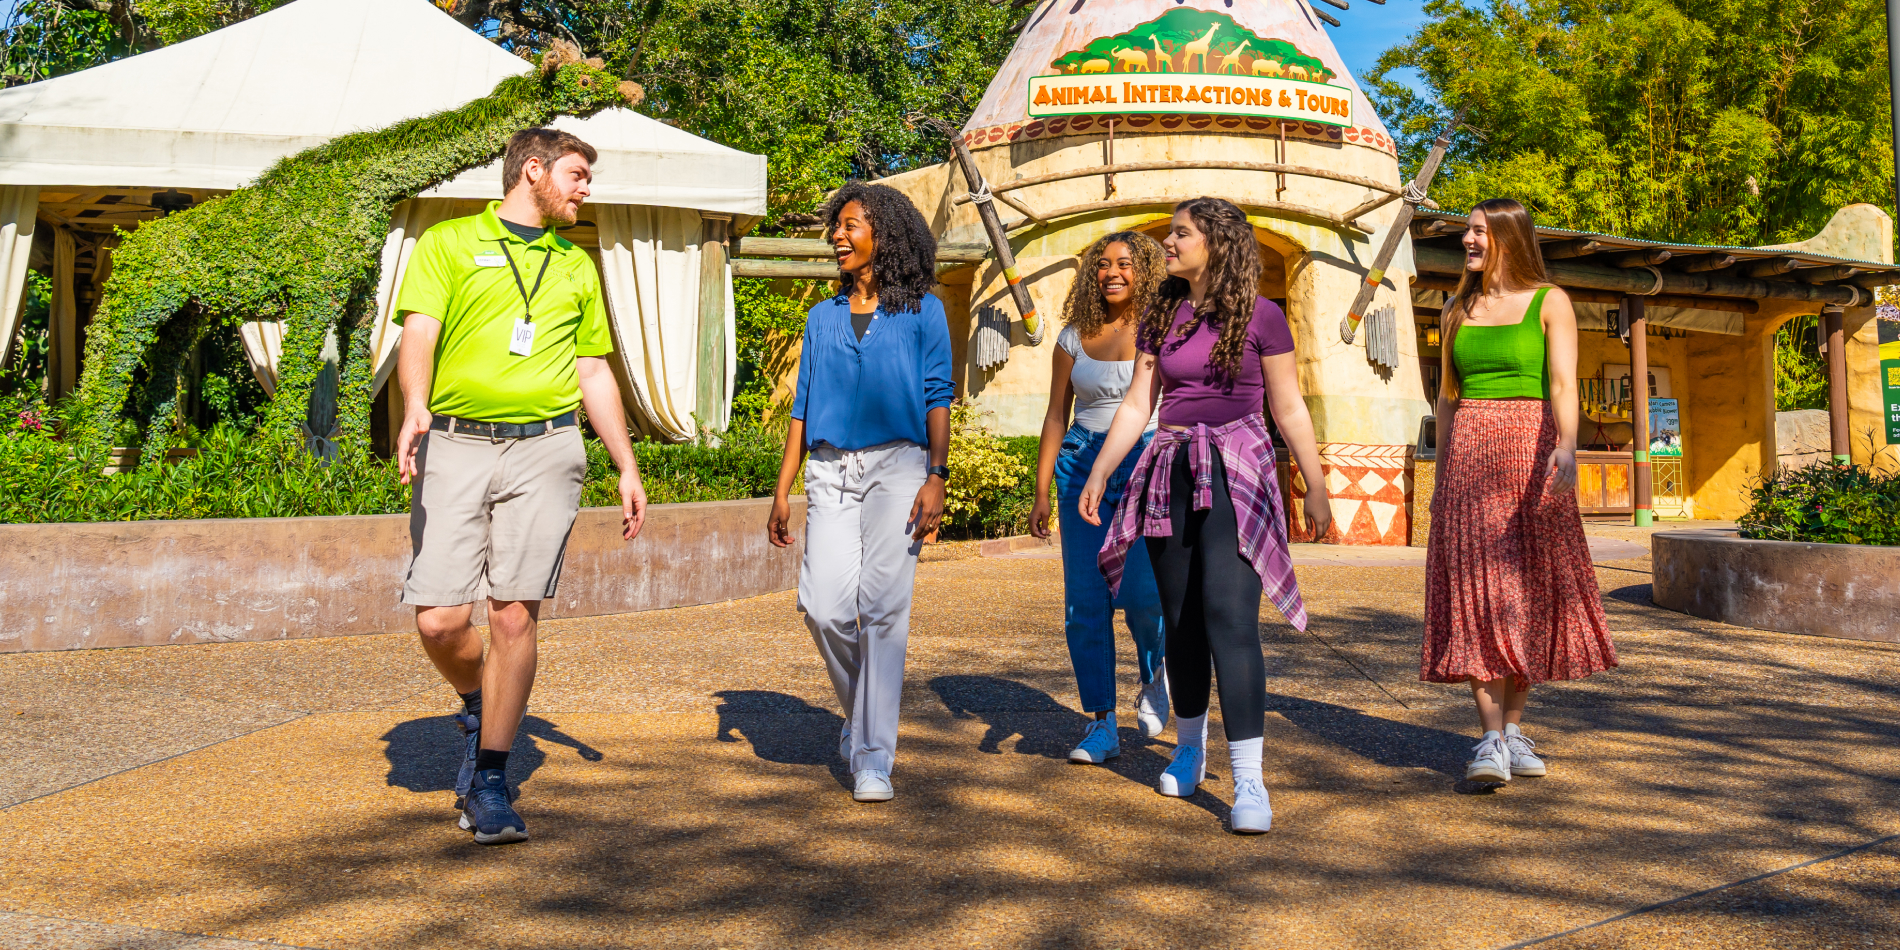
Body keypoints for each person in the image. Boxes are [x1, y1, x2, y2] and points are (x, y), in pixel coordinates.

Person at [393, 127, 646, 845]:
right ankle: (480, 698)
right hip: (457, 442)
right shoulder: (447, 244)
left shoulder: (574, 266)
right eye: (575, 173)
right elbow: (421, 329)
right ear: (532, 171)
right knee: (440, 619)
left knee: (512, 616)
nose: (585, 187)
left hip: (547, 449)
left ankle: (492, 780)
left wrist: (626, 463)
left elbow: (592, 369)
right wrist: (415, 404)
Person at [1080, 198, 1333, 835]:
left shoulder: (1264, 316)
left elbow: (1290, 406)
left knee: (1229, 617)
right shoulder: (1161, 313)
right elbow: (1140, 403)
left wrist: (1315, 482)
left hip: (1236, 472)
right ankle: (1189, 748)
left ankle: (1249, 778)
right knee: (1183, 619)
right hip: (1169, 469)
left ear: (1216, 243)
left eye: (1181, 234)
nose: (1168, 243)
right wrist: (1103, 468)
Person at [767, 181, 952, 804]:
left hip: (900, 468)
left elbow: (936, 395)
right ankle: (861, 717)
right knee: (823, 606)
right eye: (835, 227)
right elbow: (803, 404)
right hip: (828, 471)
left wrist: (938, 474)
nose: (838, 237)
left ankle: (873, 754)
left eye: (851, 224)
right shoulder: (822, 317)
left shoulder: (924, 310)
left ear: (886, 233)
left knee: (882, 610)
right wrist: (783, 487)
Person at [1421, 198, 1616, 784]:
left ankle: (1511, 730)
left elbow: (1562, 381)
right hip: (1470, 460)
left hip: (1532, 453)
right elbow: (1448, 398)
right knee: (1476, 591)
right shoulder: (1457, 307)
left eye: (1478, 232)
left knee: (1526, 588)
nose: (1468, 242)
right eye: (1467, 233)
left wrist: (1566, 446)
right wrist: (1440, 469)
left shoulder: (1550, 301)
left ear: (1508, 237)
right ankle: (1488, 739)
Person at [1028, 231, 1170, 765]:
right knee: (1084, 602)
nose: (1112, 272)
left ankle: (1155, 671)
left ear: (1148, 271)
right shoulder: (1071, 337)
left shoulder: (1163, 329)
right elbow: (1054, 416)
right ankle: (1102, 723)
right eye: (1103, 264)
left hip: (1146, 459)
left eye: (1125, 264)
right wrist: (1041, 489)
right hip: (1080, 462)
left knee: (1141, 590)